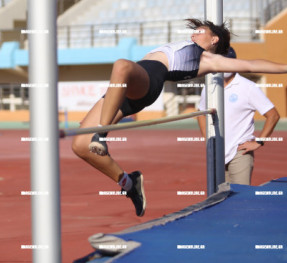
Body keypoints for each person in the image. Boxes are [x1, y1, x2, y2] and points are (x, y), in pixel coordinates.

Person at [72, 18, 286, 217]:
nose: (194, 34)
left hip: (144, 83)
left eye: (200, 31)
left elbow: (252, 65)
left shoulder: (210, 60)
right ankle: (130, 183)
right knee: (80, 145)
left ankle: (101, 134)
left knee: (121, 65)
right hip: (122, 88)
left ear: (214, 40)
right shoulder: (188, 45)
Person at [197, 48, 280, 185]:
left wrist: (259, 141)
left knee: (240, 197)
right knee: (219, 198)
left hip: (239, 152)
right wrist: (208, 139)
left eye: (226, 62)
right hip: (217, 153)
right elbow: (201, 113)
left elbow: (273, 115)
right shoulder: (209, 86)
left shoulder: (248, 87)